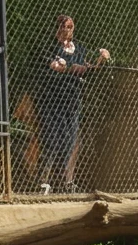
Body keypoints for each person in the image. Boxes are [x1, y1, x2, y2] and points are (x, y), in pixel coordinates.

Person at [38, 14, 110, 192]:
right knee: (51, 138)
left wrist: (101, 58)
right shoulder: (48, 46)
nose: (67, 30)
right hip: (52, 98)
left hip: (73, 99)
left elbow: (90, 66)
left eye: (70, 27)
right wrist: (71, 69)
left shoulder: (80, 48)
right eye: (63, 26)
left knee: (71, 140)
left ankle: (66, 182)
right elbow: (55, 66)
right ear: (57, 28)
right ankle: (43, 182)